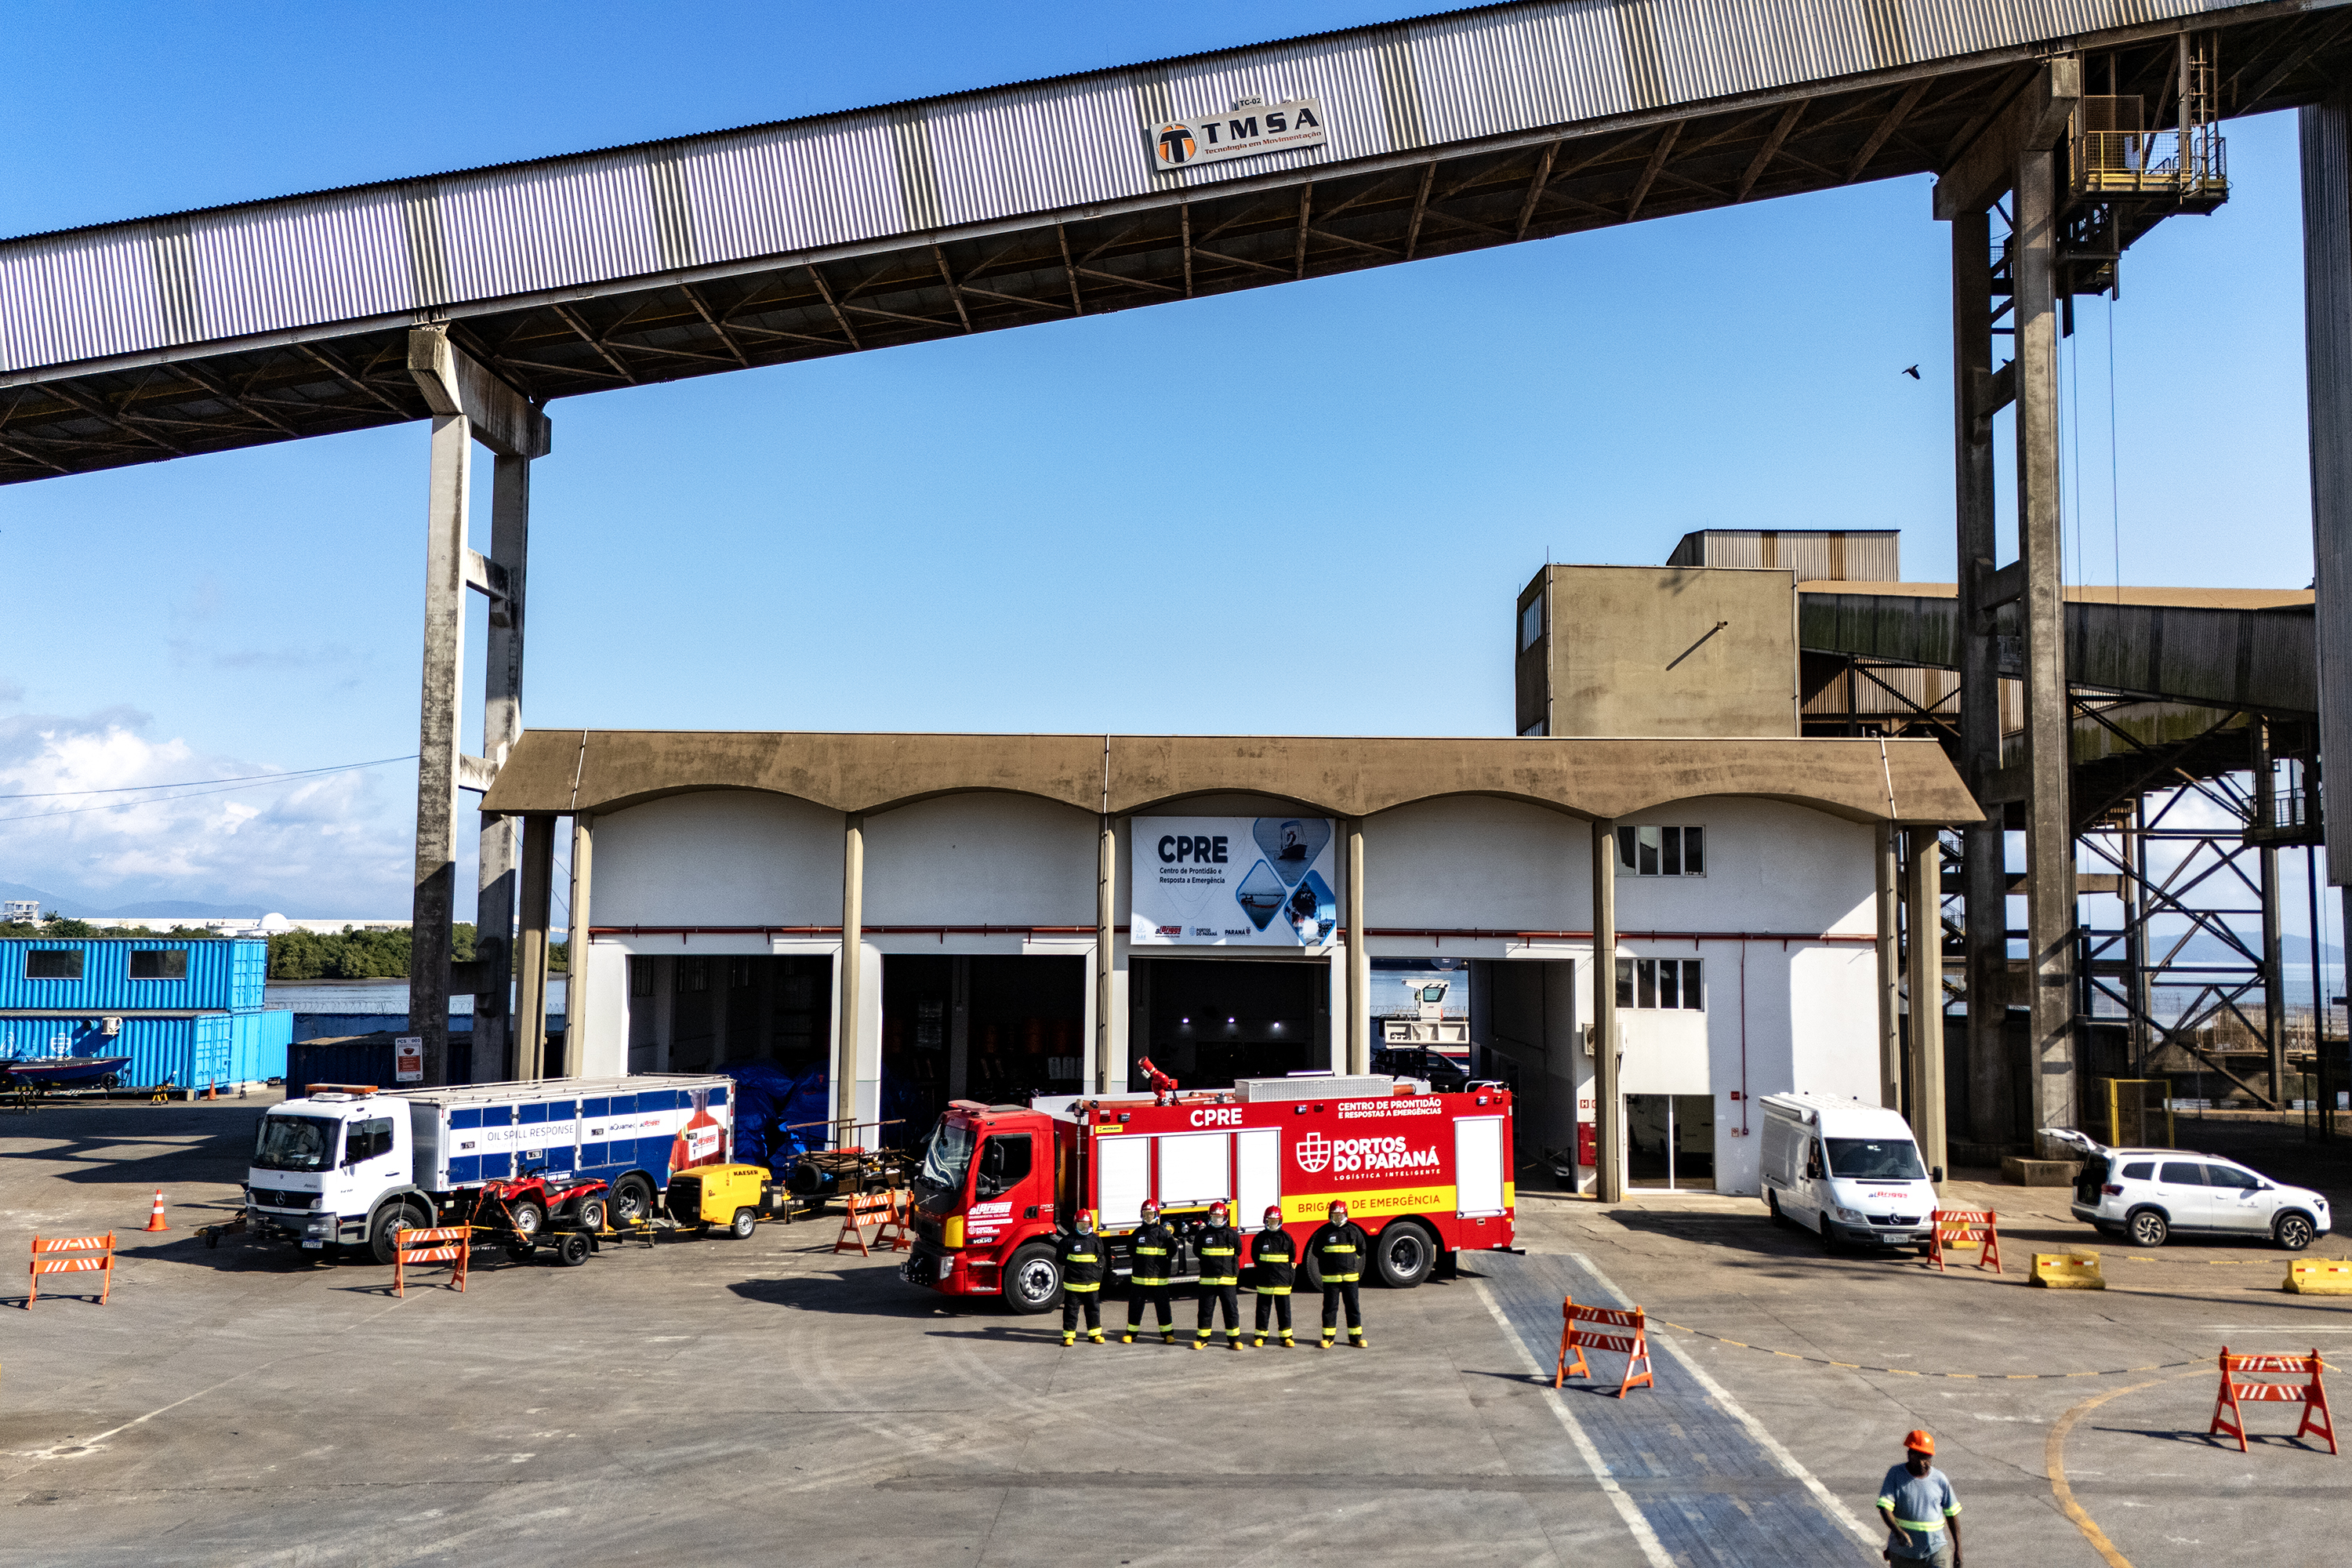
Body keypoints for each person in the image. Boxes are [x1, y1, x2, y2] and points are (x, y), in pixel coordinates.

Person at [1876, 1430, 1962, 1566]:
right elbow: (1885, 1508)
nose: (1922, 1463)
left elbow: (1952, 1515)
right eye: (1918, 1457)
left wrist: (1958, 1549)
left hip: (1936, 1549)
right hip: (1903, 1553)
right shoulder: (1896, 1475)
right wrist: (1898, 1532)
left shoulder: (1940, 1479)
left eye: (1926, 1458)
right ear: (1909, 1454)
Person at [1308, 1200, 1370, 1349]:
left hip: (1350, 1278)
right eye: (1335, 1216)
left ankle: (1355, 1338)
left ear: (1346, 1215)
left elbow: (1362, 1249)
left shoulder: (1353, 1231)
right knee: (1330, 1308)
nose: (1337, 1219)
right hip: (1331, 1278)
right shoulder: (1324, 1232)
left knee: (1353, 1307)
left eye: (1340, 1216)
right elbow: (1316, 1251)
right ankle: (1328, 1338)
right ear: (1330, 1216)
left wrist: (1350, 1261)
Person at [1122, 1200, 1178, 1345]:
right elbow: (1130, 1250)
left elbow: (1173, 1250)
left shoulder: (1164, 1233)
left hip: (1159, 1279)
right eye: (1146, 1215)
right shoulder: (1138, 1233)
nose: (1148, 1218)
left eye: (1151, 1215)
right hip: (1140, 1279)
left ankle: (1167, 1334)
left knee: (1163, 1307)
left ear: (1157, 1215)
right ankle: (1131, 1334)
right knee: (1135, 1307)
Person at [1192, 1201, 1245, 1351]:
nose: (1217, 1221)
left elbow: (1238, 1251)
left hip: (1227, 1281)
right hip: (1208, 1281)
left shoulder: (1232, 1235)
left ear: (1225, 1218)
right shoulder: (1203, 1235)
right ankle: (1202, 1339)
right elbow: (1197, 1251)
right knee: (1205, 1310)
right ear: (1210, 1218)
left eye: (1220, 1218)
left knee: (1231, 1310)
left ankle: (1234, 1340)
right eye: (1214, 1218)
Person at [1055, 1209, 1109, 1346]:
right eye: (1081, 1225)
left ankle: (1095, 1334)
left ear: (1091, 1224)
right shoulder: (1068, 1241)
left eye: (1086, 1225)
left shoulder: (1096, 1240)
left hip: (1091, 1284)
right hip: (1073, 1284)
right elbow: (1060, 1259)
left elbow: (1101, 1259)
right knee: (1071, 1311)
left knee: (1093, 1310)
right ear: (1075, 1225)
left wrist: (1098, 1277)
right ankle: (1069, 1336)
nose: (1084, 1228)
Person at [1247, 1205, 1297, 1348]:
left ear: (1280, 1221)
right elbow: (1255, 1256)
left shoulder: (1286, 1238)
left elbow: (1292, 1256)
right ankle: (1260, 1336)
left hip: (1282, 1280)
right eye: (1270, 1222)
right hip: (1265, 1280)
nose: (1272, 1224)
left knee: (1284, 1310)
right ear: (1265, 1221)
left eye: (1275, 1222)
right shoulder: (1260, 1238)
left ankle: (1286, 1337)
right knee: (1263, 1310)